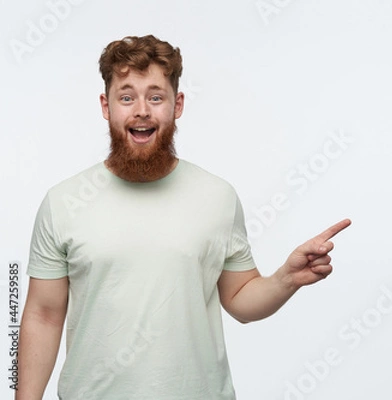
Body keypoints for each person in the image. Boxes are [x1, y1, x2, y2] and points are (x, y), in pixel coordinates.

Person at [17, 34, 351, 400]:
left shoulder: (217, 197)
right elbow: (44, 315)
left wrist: (286, 279)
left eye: (155, 97)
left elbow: (240, 299)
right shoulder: (64, 202)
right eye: (126, 97)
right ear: (106, 105)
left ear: (177, 105)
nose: (141, 110)